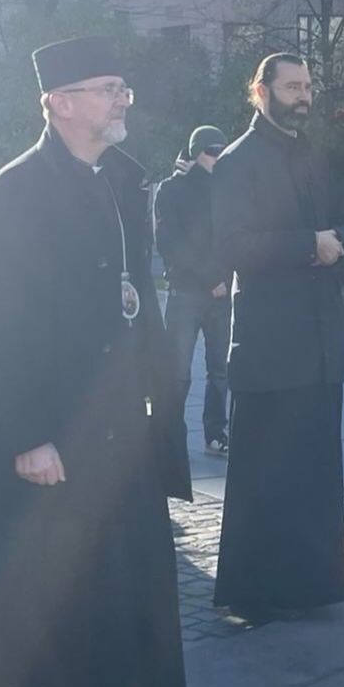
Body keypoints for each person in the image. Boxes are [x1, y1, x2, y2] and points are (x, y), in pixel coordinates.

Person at [0, 35, 191, 687]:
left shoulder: (122, 181)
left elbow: (133, 299)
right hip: (49, 445)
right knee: (44, 620)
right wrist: (28, 436)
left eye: (124, 89)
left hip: (120, 435)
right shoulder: (8, 196)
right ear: (58, 102)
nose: (123, 100)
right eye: (108, 89)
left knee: (127, 605)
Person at [212, 53, 344, 621]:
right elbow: (231, 246)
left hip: (321, 338)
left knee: (317, 468)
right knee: (267, 472)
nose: (303, 96)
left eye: (308, 86)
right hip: (270, 342)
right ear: (260, 92)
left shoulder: (314, 155)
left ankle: (318, 580)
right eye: (292, 86)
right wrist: (308, 244)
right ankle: (258, 590)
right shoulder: (235, 161)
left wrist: (338, 242)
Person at [154, 125, 232, 455]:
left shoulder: (226, 189)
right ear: (196, 152)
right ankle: (169, 436)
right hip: (187, 292)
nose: (219, 158)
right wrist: (210, 279)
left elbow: (235, 236)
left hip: (222, 294)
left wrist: (226, 279)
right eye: (213, 151)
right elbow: (170, 244)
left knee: (220, 371)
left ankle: (216, 434)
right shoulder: (172, 190)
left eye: (222, 151)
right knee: (177, 373)